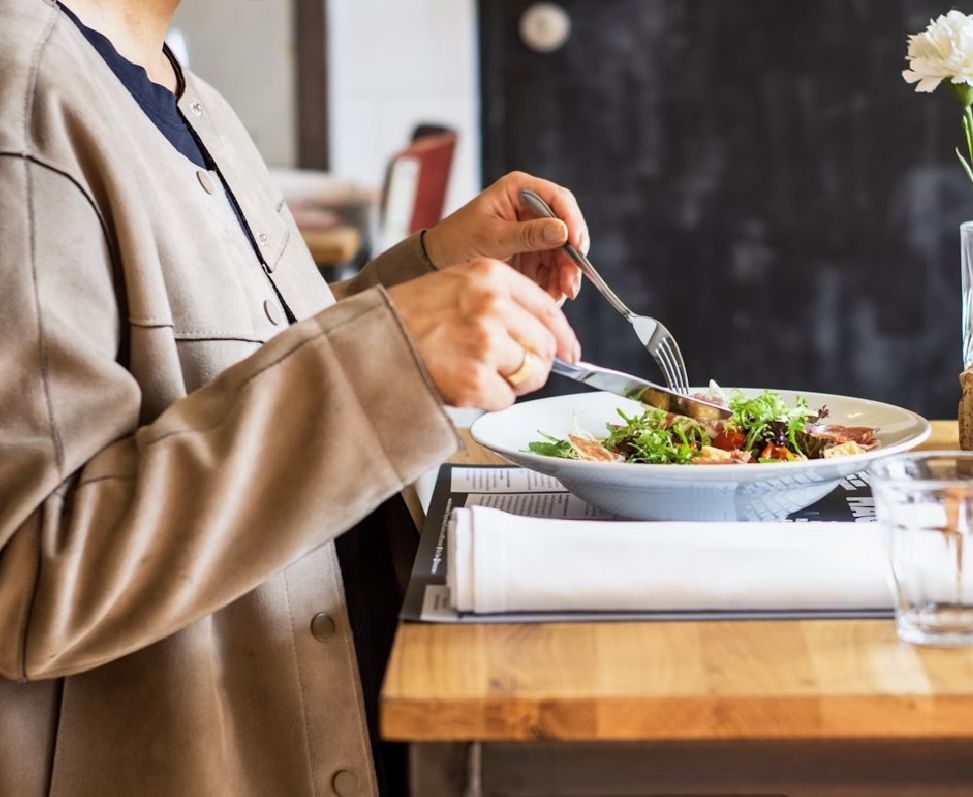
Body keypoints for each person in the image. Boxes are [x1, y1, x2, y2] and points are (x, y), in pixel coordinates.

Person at [0, 0, 590, 794]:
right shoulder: (25, 100)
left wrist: (428, 274)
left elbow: (246, 364)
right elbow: (29, 572)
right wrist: (389, 354)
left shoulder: (183, 94)